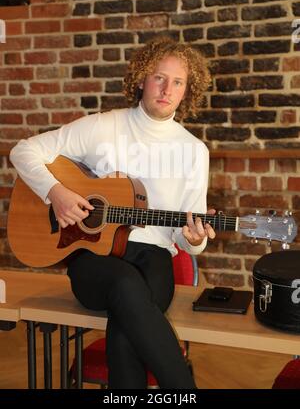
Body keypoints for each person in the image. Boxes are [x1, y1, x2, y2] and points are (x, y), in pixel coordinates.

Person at [10, 37, 216, 389]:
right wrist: (56, 193)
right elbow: (23, 151)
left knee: (127, 320)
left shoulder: (194, 152)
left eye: (177, 82)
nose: (167, 89)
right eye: (159, 77)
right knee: (125, 286)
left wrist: (193, 239)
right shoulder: (103, 127)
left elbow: (186, 235)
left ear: (187, 91)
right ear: (140, 79)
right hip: (93, 259)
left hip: (154, 259)